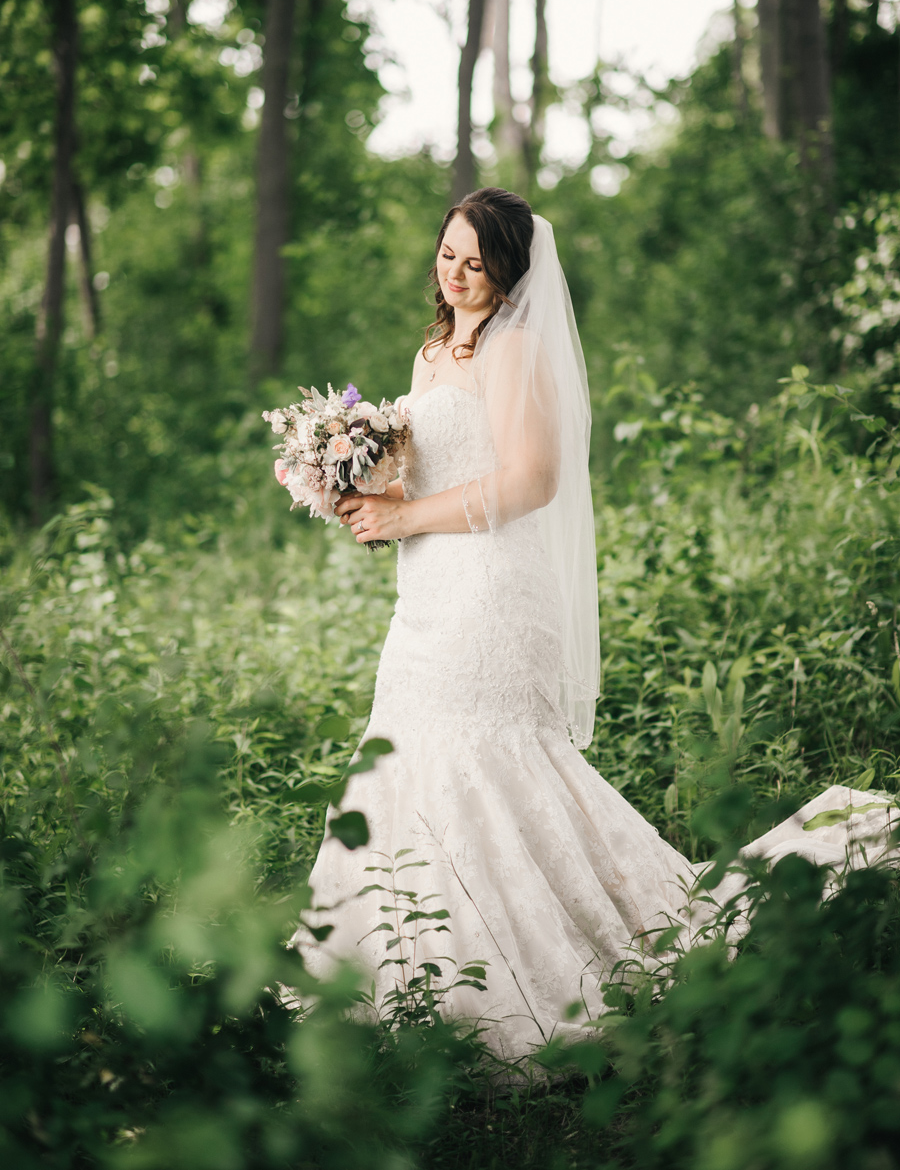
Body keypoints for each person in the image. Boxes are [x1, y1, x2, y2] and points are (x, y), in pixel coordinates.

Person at [290, 187, 895, 1065]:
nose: (456, 276)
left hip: (492, 595)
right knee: (406, 751)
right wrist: (368, 483)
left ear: (511, 272)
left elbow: (532, 480)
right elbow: (438, 466)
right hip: (426, 593)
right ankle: (394, 967)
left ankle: (512, 978)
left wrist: (406, 519)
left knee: (476, 757)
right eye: (447, 256)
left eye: (477, 264)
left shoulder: (517, 347)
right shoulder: (431, 352)